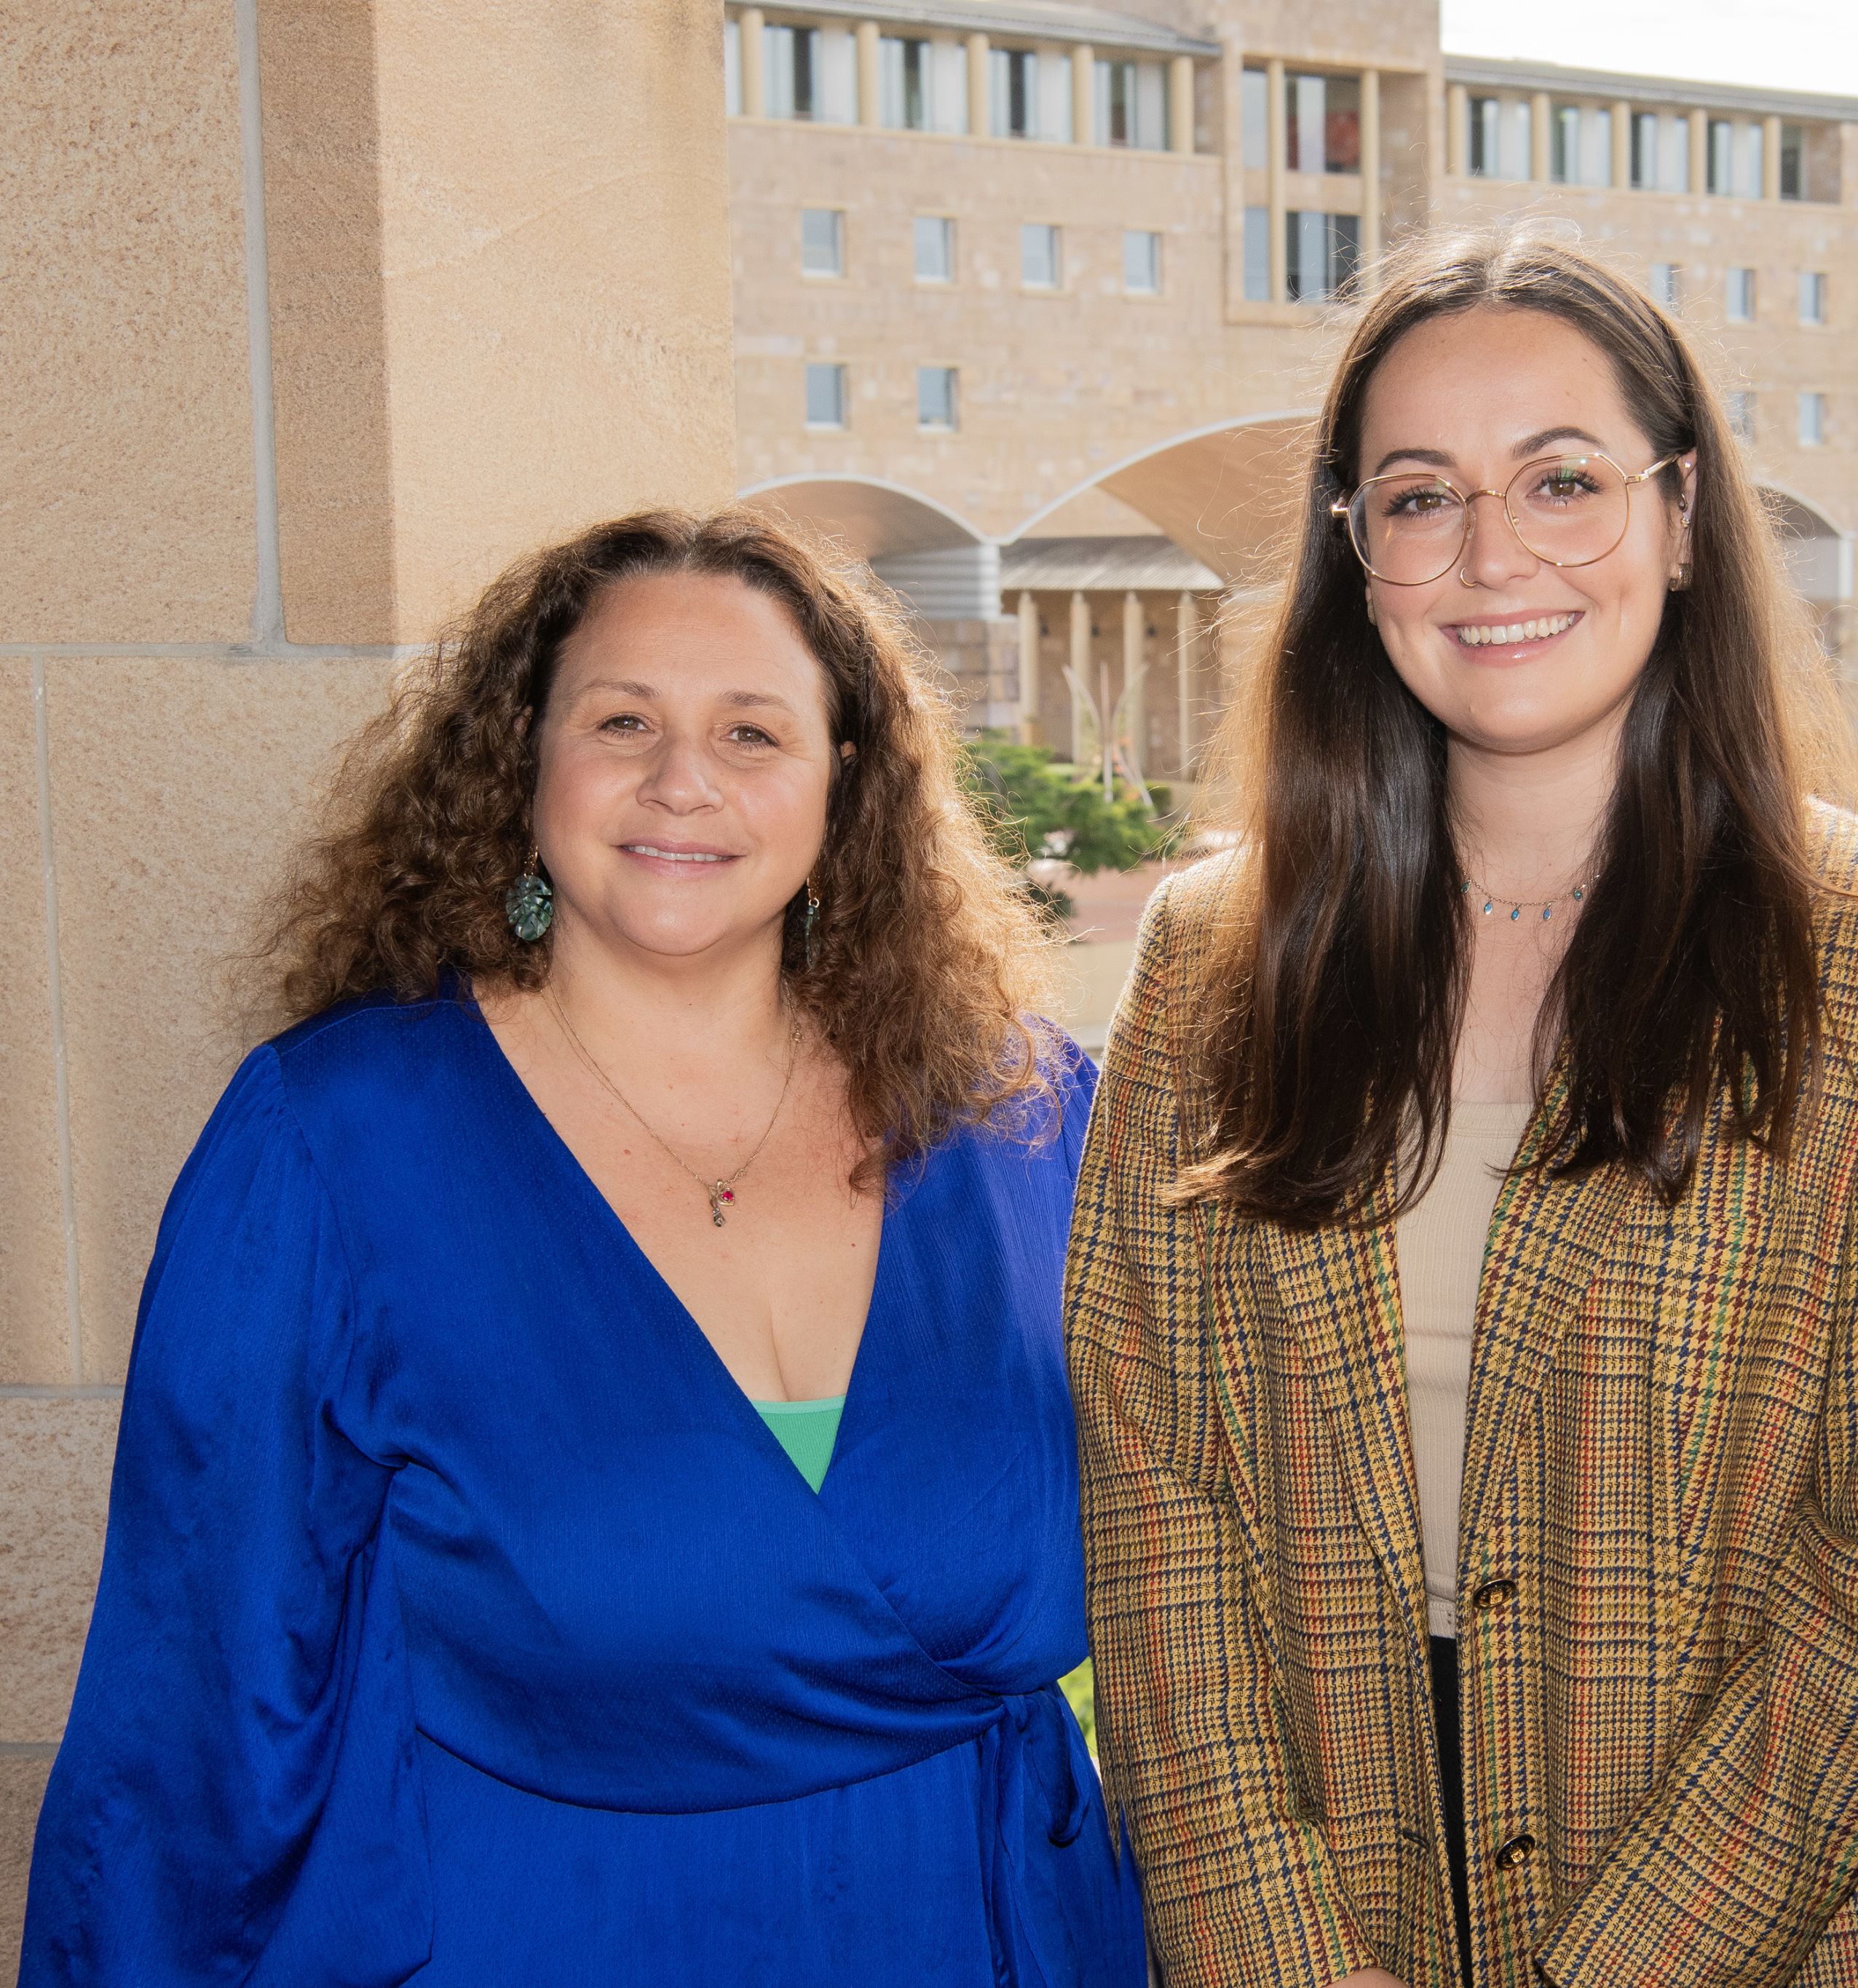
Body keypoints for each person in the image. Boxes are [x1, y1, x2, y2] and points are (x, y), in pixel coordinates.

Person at [1067, 226, 1858, 1988]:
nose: (1490, 553)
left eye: (1563, 480)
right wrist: (1272, 1947)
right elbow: (1152, 1482)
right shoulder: (1214, 953)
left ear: (1678, 520)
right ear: (1352, 551)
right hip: (1323, 1909)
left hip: (1735, 1928)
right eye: (1420, 496)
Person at [20, 510, 1144, 1987]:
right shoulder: (330, 1145)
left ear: (843, 785)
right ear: (523, 762)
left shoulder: (1026, 1121)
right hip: (548, 1931)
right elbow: (202, 1697)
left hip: (995, 1925)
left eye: (752, 730)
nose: (683, 780)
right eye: (622, 720)